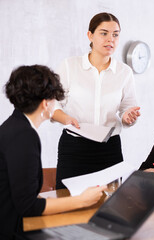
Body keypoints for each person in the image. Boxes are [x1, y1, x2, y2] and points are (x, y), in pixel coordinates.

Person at [0, 65, 107, 240]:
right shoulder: (23, 136)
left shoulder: (14, 126)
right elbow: (28, 206)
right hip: (12, 232)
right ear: (45, 103)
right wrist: (82, 200)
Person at [52, 12, 140, 189]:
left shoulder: (124, 72)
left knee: (109, 204)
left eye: (115, 34)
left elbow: (127, 107)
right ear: (90, 35)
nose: (111, 39)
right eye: (104, 33)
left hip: (109, 149)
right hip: (74, 147)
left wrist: (127, 117)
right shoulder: (70, 66)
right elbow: (52, 104)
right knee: (68, 201)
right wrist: (66, 119)